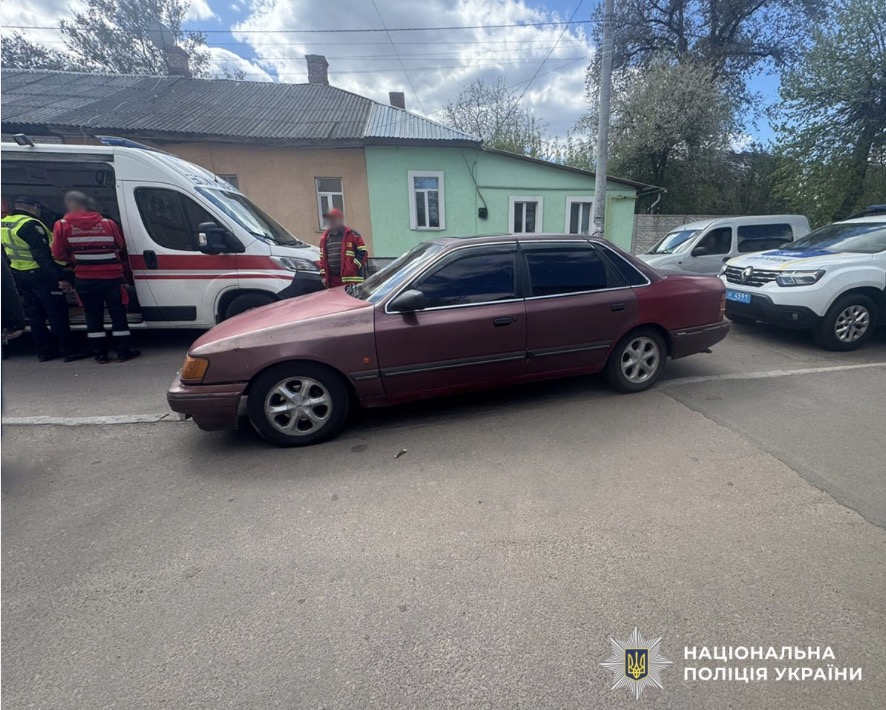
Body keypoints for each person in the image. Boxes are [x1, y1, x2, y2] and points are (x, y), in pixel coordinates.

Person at [52, 191, 140, 363]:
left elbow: (58, 253)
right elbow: (120, 245)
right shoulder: (108, 223)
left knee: (93, 315)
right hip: (113, 277)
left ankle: (100, 354)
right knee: (118, 314)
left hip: (85, 278)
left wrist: (74, 257)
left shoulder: (61, 225)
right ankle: (123, 352)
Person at [1, 196, 82, 362]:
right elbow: (42, 256)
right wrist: (59, 278)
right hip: (40, 274)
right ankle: (67, 351)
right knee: (57, 314)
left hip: (20, 273)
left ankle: (44, 352)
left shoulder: (5, 222)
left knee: (35, 315)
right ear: (32, 207)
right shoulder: (30, 224)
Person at [318, 208, 368, 288]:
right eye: (329, 219)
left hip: (351, 281)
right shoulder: (324, 238)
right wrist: (323, 276)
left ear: (340, 220)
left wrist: (352, 268)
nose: (331, 222)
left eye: (333, 219)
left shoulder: (352, 234)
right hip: (332, 281)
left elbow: (363, 252)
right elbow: (322, 259)